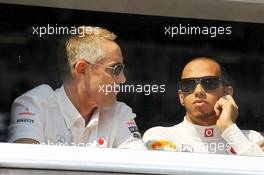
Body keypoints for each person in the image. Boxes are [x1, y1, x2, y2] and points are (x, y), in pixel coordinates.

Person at [8, 26, 146, 149]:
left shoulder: (119, 113)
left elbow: (140, 166)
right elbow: (27, 168)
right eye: (116, 69)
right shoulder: (35, 104)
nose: (123, 79)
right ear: (82, 70)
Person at [143, 57, 264, 156]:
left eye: (209, 82)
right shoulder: (159, 136)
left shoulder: (252, 139)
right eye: (189, 84)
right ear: (181, 97)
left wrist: (229, 129)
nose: (198, 91)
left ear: (227, 93)